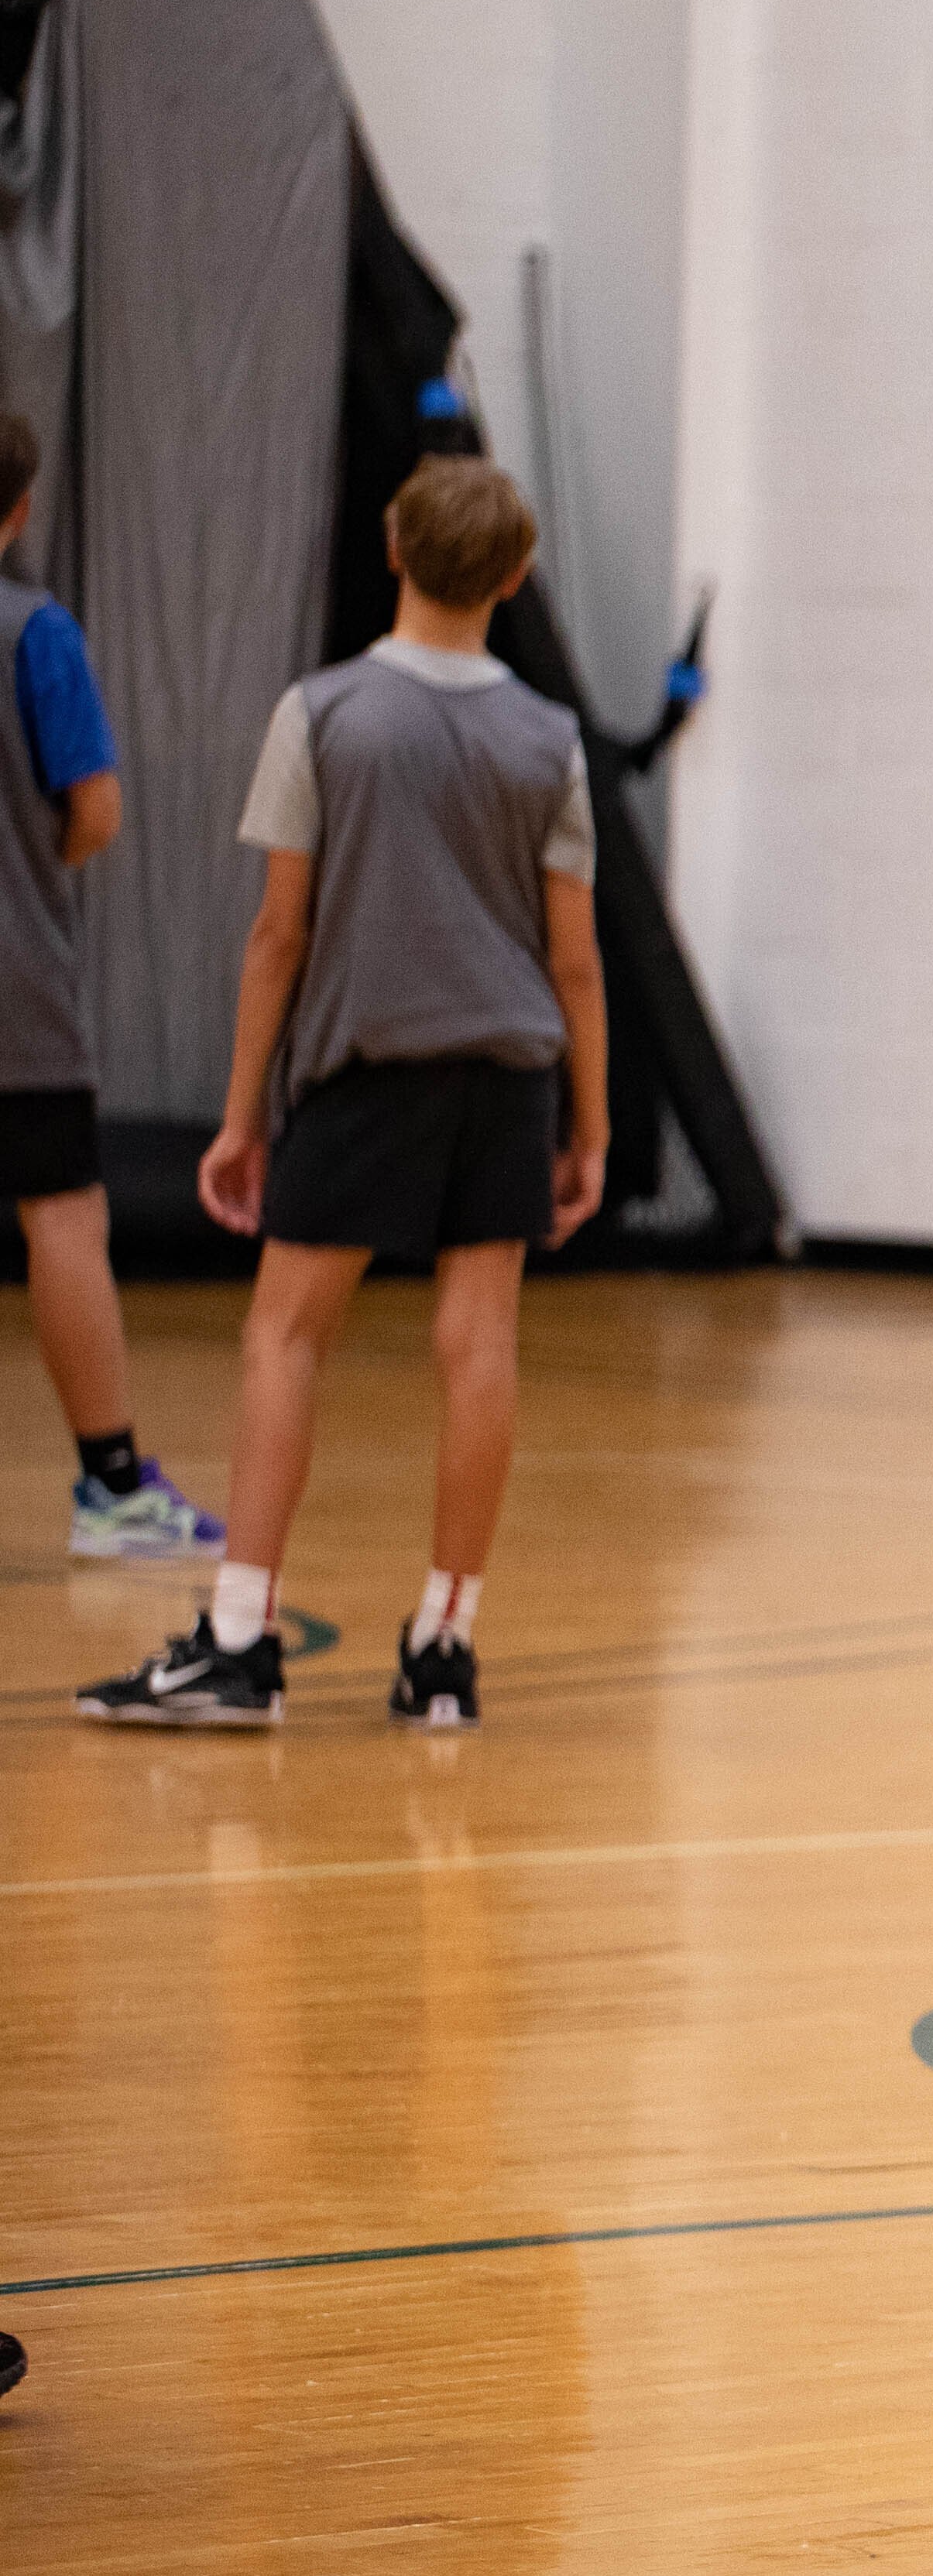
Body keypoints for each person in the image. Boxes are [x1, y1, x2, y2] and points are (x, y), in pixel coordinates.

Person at [74, 459, 603, 1731]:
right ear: (516, 577)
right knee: (478, 1348)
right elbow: (574, 953)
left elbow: (279, 935)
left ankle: (242, 1640)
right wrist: (588, 1120)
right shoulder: (550, 738)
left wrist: (242, 1111)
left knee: (285, 1333)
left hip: (369, 1067)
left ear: (392, 546)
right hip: (510, 1071)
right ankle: (443, 1647)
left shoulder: (324, 712)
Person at [0, 414, 221, 1564]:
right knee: (64, 1218)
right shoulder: (38, 633)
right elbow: (94, 812)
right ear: (19, 511)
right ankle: (112, 1488)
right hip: (16, 993)